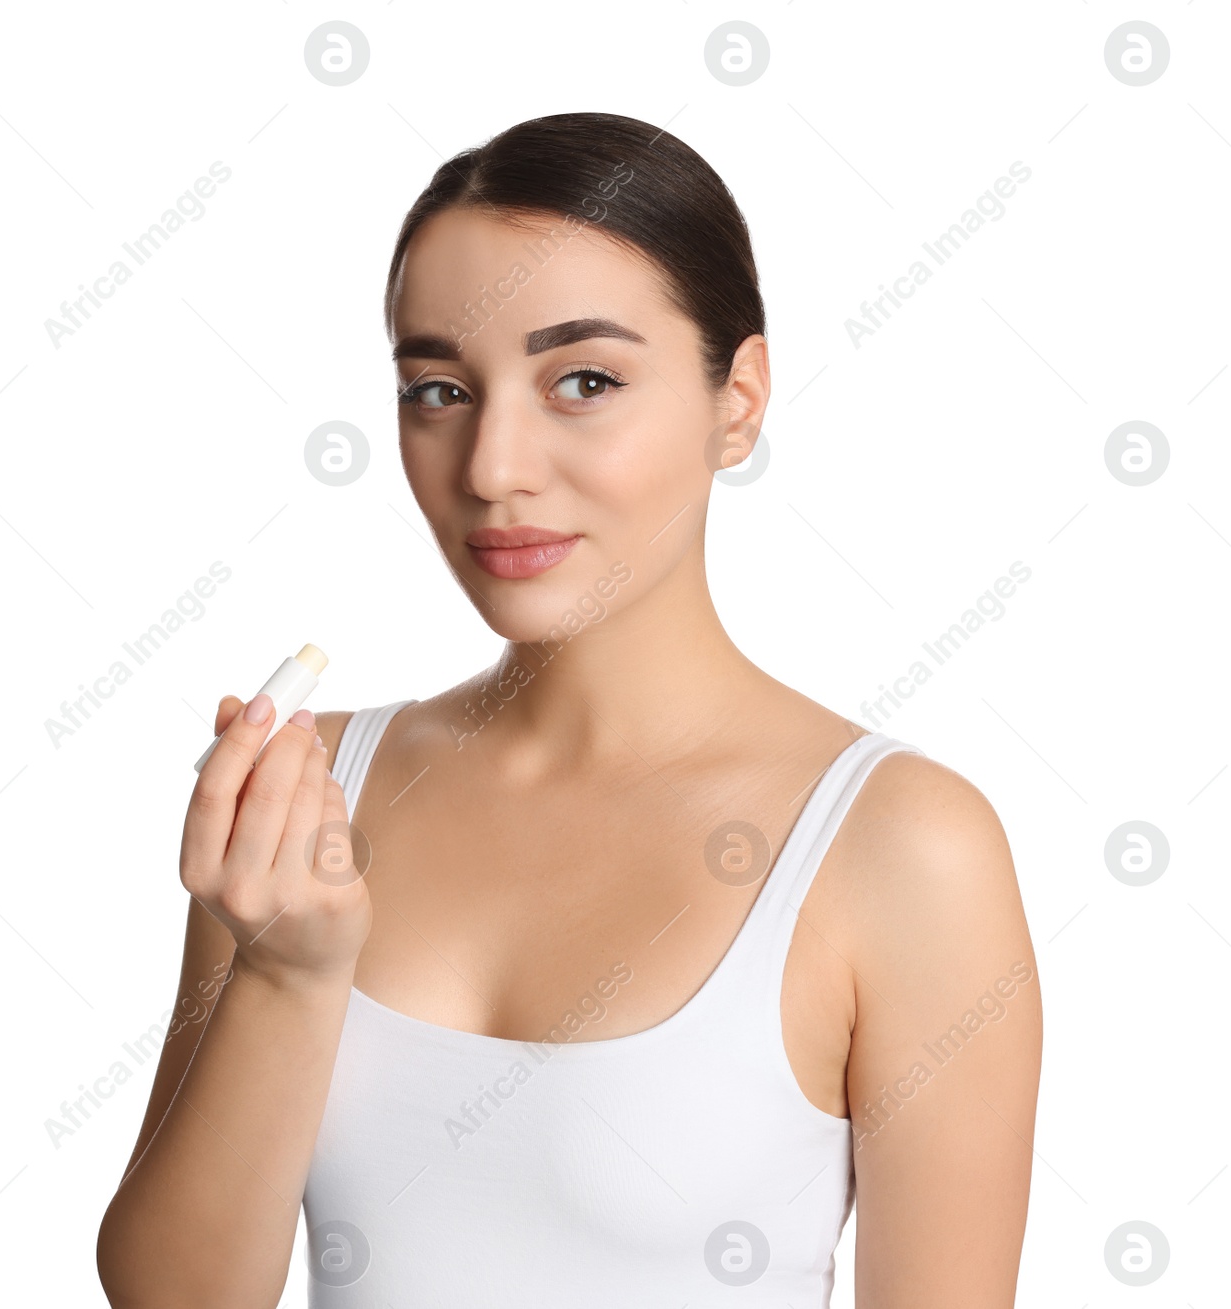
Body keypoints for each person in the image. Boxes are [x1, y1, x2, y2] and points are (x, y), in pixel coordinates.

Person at [97, 111, 1042, 1308]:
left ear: (737, 399)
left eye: (583, 381)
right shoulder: (310, 795)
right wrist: (285, 975)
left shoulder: (900, 846)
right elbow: (171, 1299)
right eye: (438, 387)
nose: (492, 465)